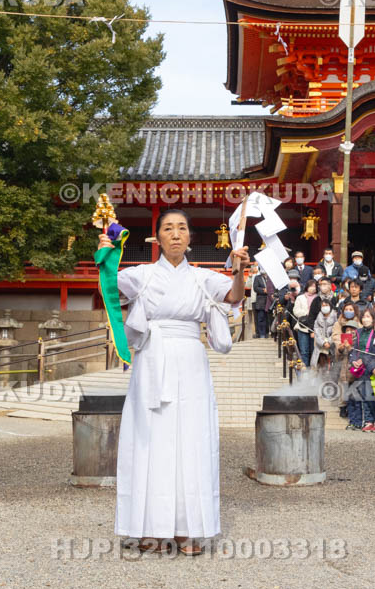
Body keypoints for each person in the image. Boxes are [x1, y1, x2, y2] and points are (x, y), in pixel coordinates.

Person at [101, 208, 247, 555]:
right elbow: (109, 285)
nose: (176, 234)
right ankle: (148, 527)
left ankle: (187, 529)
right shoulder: (142, 275)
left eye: (182, 228)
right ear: (158, 237)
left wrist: (240, 270)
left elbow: (234, 296)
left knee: (190, 438)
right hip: (152, 358)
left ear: (190, 238)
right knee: (150, 438)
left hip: (190, 360)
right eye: (168, 228)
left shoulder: (202, 278)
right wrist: (106, 252)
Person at [293, 279, 318, 366]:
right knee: (304, 351)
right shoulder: (300, 297)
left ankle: (313, 371)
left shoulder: (318, 298)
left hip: (315, 327)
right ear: (307, 287)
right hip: (303, 326)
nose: (313, 288)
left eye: (315, 286)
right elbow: (295, 311)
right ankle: (304, 372)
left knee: (314, 351)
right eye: (311, 286)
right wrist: (306, 313)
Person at [252, 267, 273, 339]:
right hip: (261, 300)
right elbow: (255, 288)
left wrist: (269, 290)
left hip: (270, 300)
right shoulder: (257, 277)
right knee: (261, 317)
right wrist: (263, 290)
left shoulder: (271, 277)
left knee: (270, 317)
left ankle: (270, 333)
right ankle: (262, 333)